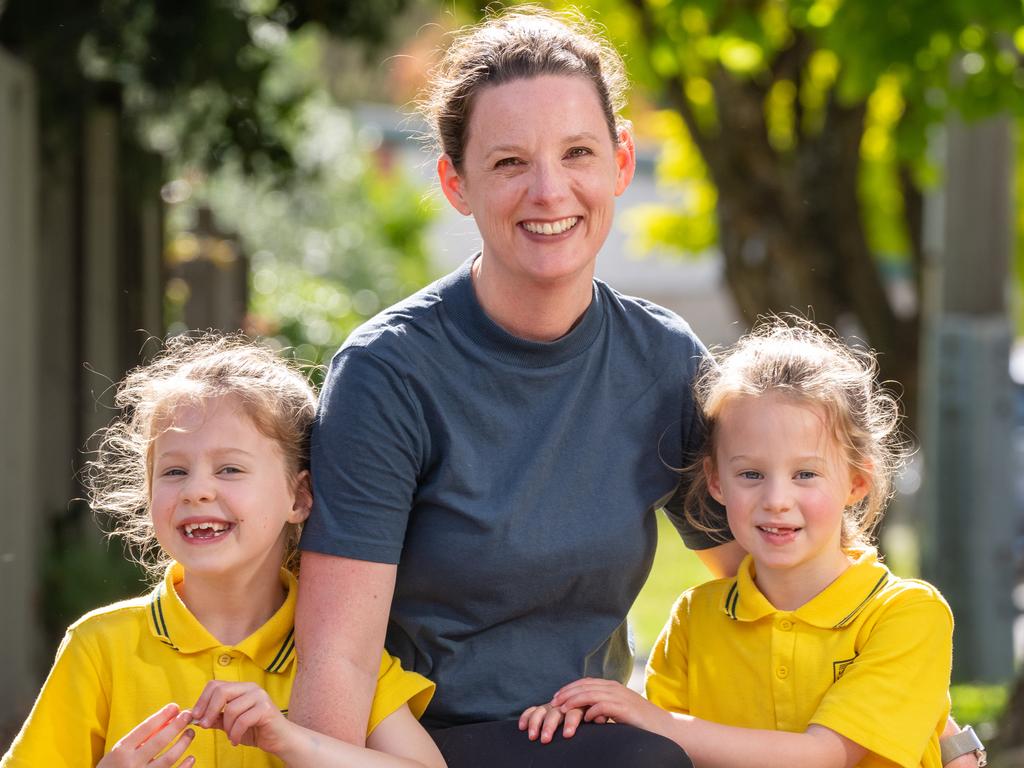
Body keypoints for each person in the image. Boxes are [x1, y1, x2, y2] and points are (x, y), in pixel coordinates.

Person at [291, 6, 741, 767]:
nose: (549, 190)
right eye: (508, 163)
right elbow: (336, 661)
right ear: (455, 182)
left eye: (577, 153)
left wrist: (914, 722)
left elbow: (780, 571)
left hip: (588, 740)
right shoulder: (388, 376)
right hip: (423, 746)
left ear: (622, 162)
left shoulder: (663, 362)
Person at [1, 334, 445, 768]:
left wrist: (293, 742)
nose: (196, 490)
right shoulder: (99, 646)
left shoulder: (336, 646)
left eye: (229, 468)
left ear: (299, 497)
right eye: (174, 470)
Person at [532, 319, 958, 767]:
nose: (776, 501)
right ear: (716, 482)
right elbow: (664, 753)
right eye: (751, 474)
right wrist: (577, 721)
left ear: (856, 482)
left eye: (805, 475)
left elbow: (823, 757)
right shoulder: (694, 619)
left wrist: (650, 718)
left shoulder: (907, 614)